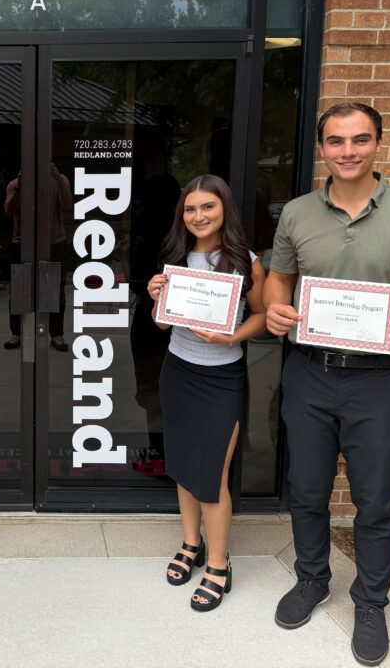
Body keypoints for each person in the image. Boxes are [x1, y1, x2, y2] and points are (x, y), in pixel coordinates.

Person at [264, 103, 390, 665]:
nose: (347, 151)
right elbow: (279, 279)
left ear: (377, 143)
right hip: (310, 371)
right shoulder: (297, 213)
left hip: (380, 381)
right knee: (306, 488)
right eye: (336, 141)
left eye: (359, 139)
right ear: (321, 148)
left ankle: (370, 603)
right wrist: (276, 308)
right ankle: (311, 578)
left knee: (375, 500)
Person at [146, 175, 266, 612]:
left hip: (221, 378)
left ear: (224, 209)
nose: (198, 216)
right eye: (190, 209)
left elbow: (263, 316)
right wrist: (155, 296)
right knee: (182, 467)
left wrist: (230, 337)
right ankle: (191, 543)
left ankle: (218, 564)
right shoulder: (176, 258)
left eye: (207, 207)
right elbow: (162, 323)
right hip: (178, 371)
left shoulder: (245, 262)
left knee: (212, 475)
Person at [3, 162, 73, 351]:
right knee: (19, 289)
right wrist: (20, 185)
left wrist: (58, 178)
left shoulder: (59, 180)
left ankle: (56, 334)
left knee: (55, 290)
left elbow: (67, 205)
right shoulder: (15, 184)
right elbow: (8, 211)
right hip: (22, 243)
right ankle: (16, 333)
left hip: (53, 242)